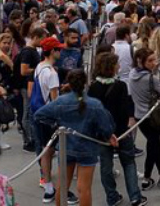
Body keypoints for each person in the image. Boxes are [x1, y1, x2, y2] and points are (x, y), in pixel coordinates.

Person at [35, 69, 113, 206]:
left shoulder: (60, 101)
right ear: (85, 83)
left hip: (66, 147)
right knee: (84, 189)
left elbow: (39, 115)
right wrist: (107, 136)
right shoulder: (95, 104)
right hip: (88, 148)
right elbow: (106, 128)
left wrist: (57, 124)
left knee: (62, 186)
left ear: (68, 83)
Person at [88, 53, 147, 206]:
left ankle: (112, 197)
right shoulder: (120, 86)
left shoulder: (93, 87)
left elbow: (92, 113)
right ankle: (135, 196)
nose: (119, 66)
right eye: (117, 63)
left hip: (101, 134)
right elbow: (125, 111)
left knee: (106, 167)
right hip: (121, 132)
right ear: (111, 67)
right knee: (128, 163)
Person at [31, 37, 63, 204]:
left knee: (45, 149)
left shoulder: (39, 67)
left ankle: (47, 181)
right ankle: (51, 186)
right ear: (52, 51)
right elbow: (55, 101)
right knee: (50, 151)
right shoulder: (52, 73)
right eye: (58, 49)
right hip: (48, 117)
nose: (60, 52)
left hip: (37, 112)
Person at [129, 48, 160, 191]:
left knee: (154, 145)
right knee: (154, 146)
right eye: (150, 60)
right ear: (140, 61)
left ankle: (156, 175)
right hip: (152, 116)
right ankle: (150, 176)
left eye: (154, 59)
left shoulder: (132, 74)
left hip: (139, 116)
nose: (153, 63)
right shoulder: (152, 79)